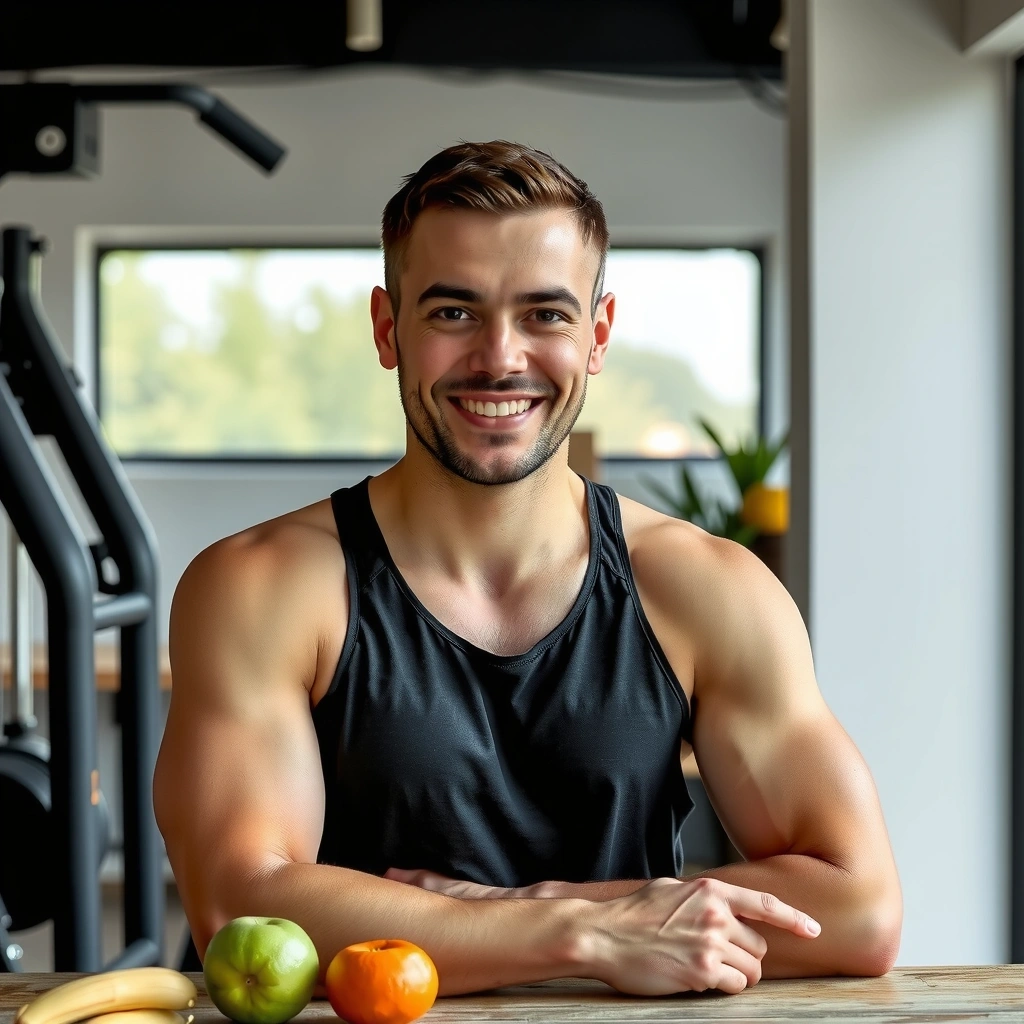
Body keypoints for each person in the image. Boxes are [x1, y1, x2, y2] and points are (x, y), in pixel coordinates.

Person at [154, 140, 902, 998]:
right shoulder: (262, 587)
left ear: (599, 335)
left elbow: (859, 907)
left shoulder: (704, 588)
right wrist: (587, 931)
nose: (500, 357)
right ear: (388, 329)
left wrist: (540, 907)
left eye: (545, 314)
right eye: (453, 312)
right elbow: (245, 914)